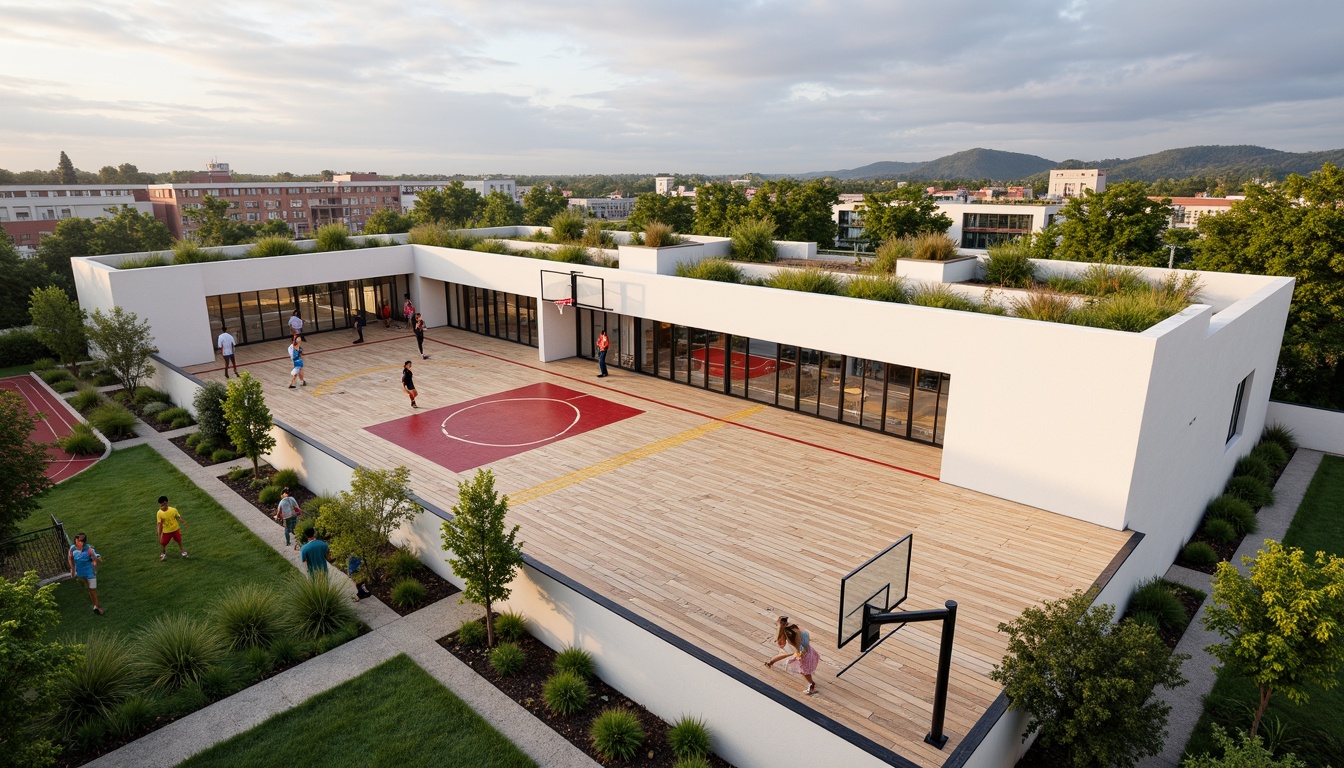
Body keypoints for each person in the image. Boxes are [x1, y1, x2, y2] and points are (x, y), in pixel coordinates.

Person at [765, 615, 820, 695]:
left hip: (802, 655)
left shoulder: (793, 643)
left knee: (804, 672)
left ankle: (811, 684)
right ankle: (770, 662)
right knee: (785, 653)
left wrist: (781, 629)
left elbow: (779, 639)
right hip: (806, 651)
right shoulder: (797, 631)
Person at [68, 532, 104, 615]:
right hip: (80, 572)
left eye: (79, 541)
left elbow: (94, 559)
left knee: (92, 589)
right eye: (76, 540)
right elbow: (70, 558)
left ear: (83, 542)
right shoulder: (73, 549)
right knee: (88, 588)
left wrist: (94, 569)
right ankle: (95, 604)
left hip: (89, 572)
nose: (77, 542)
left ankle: (96, 607)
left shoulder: (88, 549)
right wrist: (73, 570)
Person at [156, 495, 187, 561]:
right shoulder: (159, 513)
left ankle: (183, 551)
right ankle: (163, 553)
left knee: (179, 541)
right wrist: (159, 533)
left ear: (165, 503)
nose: (161, 506)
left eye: (162, 504)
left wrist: (183, 521)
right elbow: (159, 524)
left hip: (175, 529)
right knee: (163, 543)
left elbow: (178, 517)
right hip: (166, 531)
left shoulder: (173, 510)